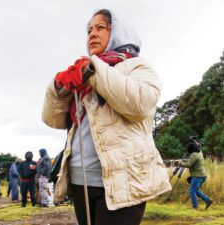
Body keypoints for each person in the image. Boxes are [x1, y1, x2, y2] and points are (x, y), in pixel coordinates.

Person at [42, 9, 171, 225]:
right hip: (80, 180)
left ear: (117, 33)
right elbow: (52, 119)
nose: (92, 34)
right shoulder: (85, 73)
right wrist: (57, 87)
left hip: (124, 180)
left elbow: (139, 104)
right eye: (89, 30)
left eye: (100, 28)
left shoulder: (136, 66)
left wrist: (92, 71)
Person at [178, 138, 213, 210]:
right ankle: (207, 200)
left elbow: (189, 164)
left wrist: (181, 163)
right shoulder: (199, 152)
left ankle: (195, 207)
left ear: (190, 149)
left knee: (192, 191)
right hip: (202, 175)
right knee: (195, 190)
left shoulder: (194, 155)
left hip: (197, 176)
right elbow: (191, 162)